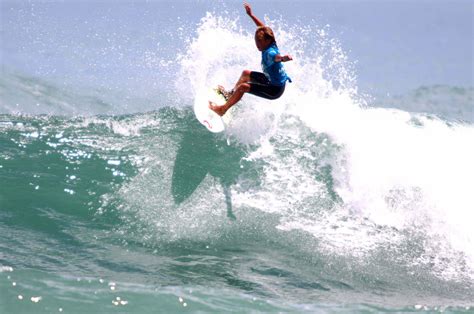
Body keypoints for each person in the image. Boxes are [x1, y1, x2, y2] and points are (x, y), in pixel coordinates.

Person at [209, 2, 293, 116]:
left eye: (259, 42)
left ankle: (222, 110)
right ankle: (230, 95)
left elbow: (277, 58)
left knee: (243, 87)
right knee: (245, 74)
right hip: (270, 80)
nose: (257, 44)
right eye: (256, 41)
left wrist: (283, 58)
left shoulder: (271, 52)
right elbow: (262, 28)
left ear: (267, 40)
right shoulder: (271, 42)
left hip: (274, 90)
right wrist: (251, 15)